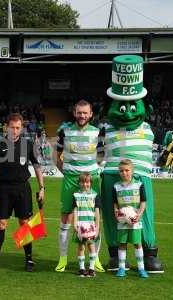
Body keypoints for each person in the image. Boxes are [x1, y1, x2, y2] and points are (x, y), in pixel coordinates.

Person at [0, 113, 44, 272]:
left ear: (21, 128)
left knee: (24, 223)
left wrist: (42, 188)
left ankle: (29, 259)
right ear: (7, 127)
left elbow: (37, 167)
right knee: (1, 223)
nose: (14, 130)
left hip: (22, 188)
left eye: (18, 127)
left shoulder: (28, 145)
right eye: (12, 127)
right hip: (4, 189)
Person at [55, 99, 104, 272]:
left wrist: (94, 170)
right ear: (74, 113)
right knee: (66, 218)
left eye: (85, 113)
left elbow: (101, 155)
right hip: (70, 179)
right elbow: (57, 154)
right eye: (79, 112)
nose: (82, 115)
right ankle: (62, 259)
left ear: (91, 114)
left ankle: (95, 259)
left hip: (92, 180)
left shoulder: (98, 132)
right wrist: (67, 171)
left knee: (94, 217)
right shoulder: (65, 131)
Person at [113, 159, 148, 278]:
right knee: (122, 243)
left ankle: (141, 268)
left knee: (137, 243)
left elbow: (143, 202)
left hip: (135, 220)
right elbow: (115, 204)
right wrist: (116, 213)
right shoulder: (116, 186)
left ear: (132, 171)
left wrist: (139, 214)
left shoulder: (139, 184)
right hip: (122, 220)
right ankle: (121, 268)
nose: (124, 173)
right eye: (121, 171)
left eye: (127, 170)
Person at [72, 172, 101, 277]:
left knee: (91, 246)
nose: (85, 185)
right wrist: (75, 224)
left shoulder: (95, 195)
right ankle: (81, 269)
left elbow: (97, 213)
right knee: (81, 247)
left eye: (87, 182)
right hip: (81, 227)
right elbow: (75, 210)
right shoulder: (76, 195)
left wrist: (97, 227)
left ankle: (92, 269)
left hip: (91, 227)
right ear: (79, 183)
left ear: (91, 183)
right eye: (83, 182)